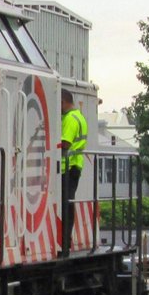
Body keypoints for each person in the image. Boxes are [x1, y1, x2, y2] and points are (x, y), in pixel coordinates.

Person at [59, 89, 88, 254]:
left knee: (65, 204)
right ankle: (65, 240)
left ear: (63, 102)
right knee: (68, 203)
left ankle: (65, 242)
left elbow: (65, 143)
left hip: (67, 167)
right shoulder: (79, 117)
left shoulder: (70, 119)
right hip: (75, 166)